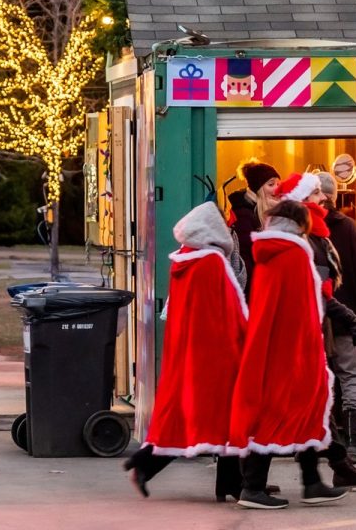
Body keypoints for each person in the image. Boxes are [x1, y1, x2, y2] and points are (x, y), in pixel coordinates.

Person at [125, 201, 250, 501]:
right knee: (230, 415)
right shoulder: (213, 262)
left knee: (192, 415)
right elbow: (230, 308)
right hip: (219, 353)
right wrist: (247, 338)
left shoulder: (184, 259)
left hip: (190, 350)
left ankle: (227, 482)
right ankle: (228, 482)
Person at [229, 200, 349, 510]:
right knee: (279, 413)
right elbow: (302, 309)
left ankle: (311, 482)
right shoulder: (294, 254)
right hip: (292, 351)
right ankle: (253, 487)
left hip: (275, 347)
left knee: (304, 412)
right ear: (301, 224)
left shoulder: (271, 253)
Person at [312, 172, 356, 464]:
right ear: (334, 197)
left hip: (314, 321)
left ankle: (318, 443)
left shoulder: (304, 229)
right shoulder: (350, 229)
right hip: (344, 319)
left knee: (317, 382)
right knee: (351, 378)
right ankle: (354, 446)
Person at [227, 160, 279, 285]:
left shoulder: (268, 212)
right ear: (258, 189)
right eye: (271, 184)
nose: (277, 189)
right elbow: (246, 258)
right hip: (253, 286)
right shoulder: (243, 215)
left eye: (278, 184)